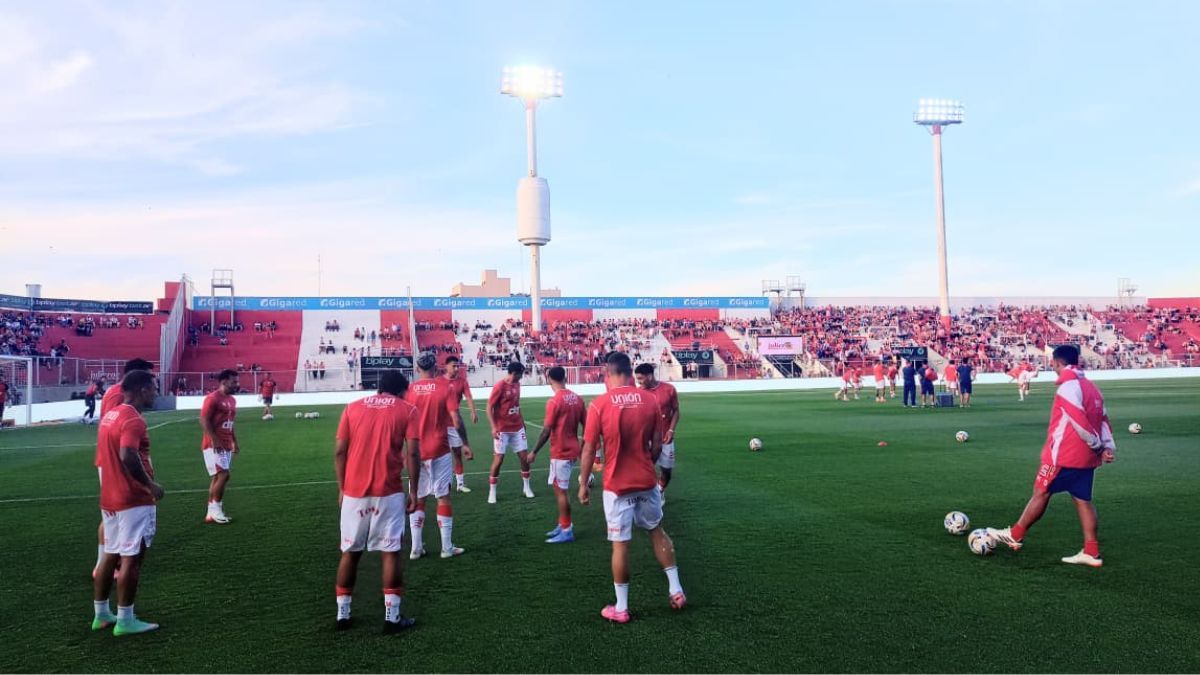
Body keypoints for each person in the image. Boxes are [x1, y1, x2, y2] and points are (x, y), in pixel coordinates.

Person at [578, 352, 685, 624]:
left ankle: (622, 608)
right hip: (647, 480)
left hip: (617, 485)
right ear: (629, 372)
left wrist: (583, 483)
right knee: (656, 530)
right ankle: (676, 589)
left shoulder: (600, 405)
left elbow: (590, 448)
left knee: (620, 545)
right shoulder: (650, 400)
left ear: (610, 373)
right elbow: (658, 444)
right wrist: (647, 464)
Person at [987, 345, 1116, 567]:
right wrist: (1107, 446)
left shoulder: (1068, 387)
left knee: (1041, 492)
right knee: (1083, 500)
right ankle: (1091, 551)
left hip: (1063, 455)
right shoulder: (1092, 387)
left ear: (1056, 363)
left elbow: (1079, 422)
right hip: (1086, 459)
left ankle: (1015, 535)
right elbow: (1103, 419)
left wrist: (1097, 445)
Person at [334, 370, 420, 632]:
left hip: (353, 492)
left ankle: (343, 615)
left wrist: (342, 487)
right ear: (401, 390)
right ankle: (392, 618)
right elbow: (413, 453)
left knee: (350, 552)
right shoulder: (407, 410)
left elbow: (339, 451)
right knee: (391, 552)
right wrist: (414, 491)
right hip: (389, 490)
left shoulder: (352, 407)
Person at [92, 369, 164, 636]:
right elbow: (128, 455)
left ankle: (101, 614)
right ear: (143, 389)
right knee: (131, 560)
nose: (156, 392)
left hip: (109, 496)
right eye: (154, 387)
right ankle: (125, 619)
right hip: (132, 498)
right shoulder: (133, 419)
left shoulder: (111, 414)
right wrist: (150, 485)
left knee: (110, 555)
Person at [94, 358, 154, 580]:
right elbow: (114, 431)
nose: (152, 384)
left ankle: (110, 561)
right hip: (115, 461)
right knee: (116, 512)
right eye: (147, 377)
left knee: (114, 513)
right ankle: (106, 562)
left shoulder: (116, 393)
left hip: (113, 458)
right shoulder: (119, 396)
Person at [405, 353, 468, 559]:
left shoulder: (410, 390)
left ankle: (416, 548)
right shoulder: (444, 388)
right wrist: (465, 443)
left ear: (417, 369)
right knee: (443, 497)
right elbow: (456, 419)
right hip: (439, 450)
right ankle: (446, 548)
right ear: (436, 367)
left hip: (415, 452)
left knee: (419, 497)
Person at [529, 366, 585, 544]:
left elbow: (546, 431)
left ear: (548, 379)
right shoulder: (577, 398)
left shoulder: (554, 401)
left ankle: (567, 530)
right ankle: (562, 524)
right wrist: (582, 446)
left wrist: (534, 452)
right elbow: (588, 425)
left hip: (561, 451)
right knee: (559, 489)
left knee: (561, 492)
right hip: (572, 449)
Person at [633, 363, 680, 502]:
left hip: (665, 438)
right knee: (644, 469)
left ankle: (660, 489)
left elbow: (676, 410)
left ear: (650, 376)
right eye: (637, 379)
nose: (639, 382)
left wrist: (671, 430)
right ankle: (644, 495)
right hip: (645, 439)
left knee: (666, 471)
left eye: (641, 379)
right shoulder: (638, 393)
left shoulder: (669, 389)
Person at [487, 361, 532, 504]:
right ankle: (492, 492)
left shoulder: (517, 385)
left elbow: (517, 405)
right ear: (514, 373)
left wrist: (523, 422)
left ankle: (526, 487)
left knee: (524, 458)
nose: (522, 377)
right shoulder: (500, 386)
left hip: (517, 427)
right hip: (502, 429)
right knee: (499, 460)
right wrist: (493, 427)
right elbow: (489, 407)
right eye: (521, 374)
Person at [200, 369, 240, 524]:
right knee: (224, 475)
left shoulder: (231, 400)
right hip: (214, 444)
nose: (237, 384)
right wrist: (214, 440)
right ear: (223, 381)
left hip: (226, 442)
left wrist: (234, 441)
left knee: (217, 476)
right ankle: (217, 508)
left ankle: (210, 512)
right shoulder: (212, 398)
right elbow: (204, 420)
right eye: (234, 382)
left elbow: (230, 423)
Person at [442, 356, 478, 493]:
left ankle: (460, 484)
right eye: (453, 366)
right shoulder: (439, 382)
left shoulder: (462, 381)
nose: (456, 368)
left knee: (457, 453)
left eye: (458, 366)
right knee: (440, 455)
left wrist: (473, 412)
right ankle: (441, 483)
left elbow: (468, 396)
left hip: (454, 423)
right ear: (446, 366)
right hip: (440, 424)